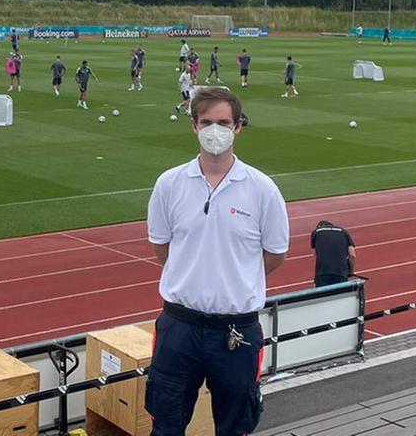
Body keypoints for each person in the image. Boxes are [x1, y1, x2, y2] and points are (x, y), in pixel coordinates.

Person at [145, 87, 289, 436]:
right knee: (165, 425)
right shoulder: (169, 184)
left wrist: (234, 277)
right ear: (193, 125)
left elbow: (275, 255)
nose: (215, 130)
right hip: (179, 327)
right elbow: (162, 248)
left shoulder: (262, 189)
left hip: (236, 331)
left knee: (235, 426)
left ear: (238, 126)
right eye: (207, 122)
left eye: (223, 122)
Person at [311, 221, 356, 287]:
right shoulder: (343, 231)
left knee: (323, 296)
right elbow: (352, 255)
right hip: (341, 272)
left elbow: (316, 253)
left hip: (322, 272)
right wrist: (351, 271)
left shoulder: (316, 232)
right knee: (340, 295)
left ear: (319, 227)